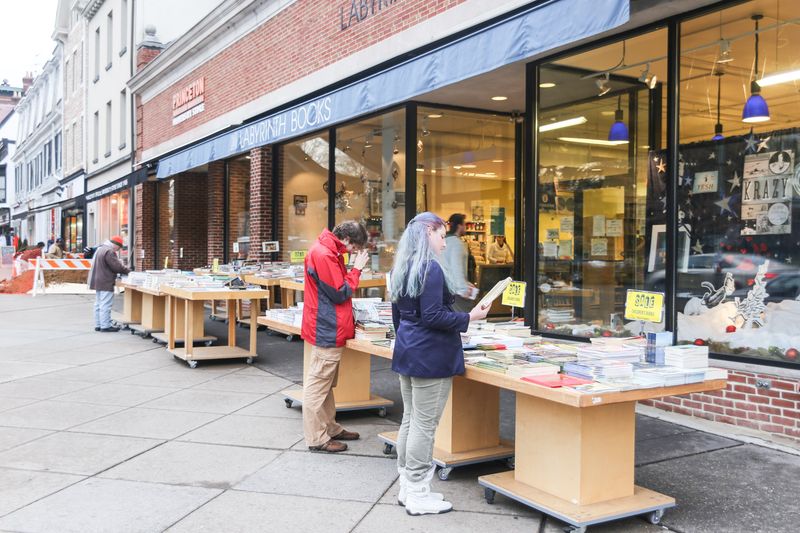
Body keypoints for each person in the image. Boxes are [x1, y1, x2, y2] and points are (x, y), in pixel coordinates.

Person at [389, 212, 489, 516]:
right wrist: (470, 317)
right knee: (424, 424)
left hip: (409, 350)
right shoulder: (429, 268)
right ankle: (418, 492)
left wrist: (407, 339)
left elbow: (398, 317)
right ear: (428, 234)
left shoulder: (401, 267)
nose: (444, 243)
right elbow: (433, 316)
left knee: (410, 419)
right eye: (441, 236)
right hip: (431, 355)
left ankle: (408, 487)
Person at [301, 221, 370, 453]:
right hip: (328, 327)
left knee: (325, 382)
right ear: (347, 239)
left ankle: (330, 427)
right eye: (355, 248)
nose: (354, 252)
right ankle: (316, 438)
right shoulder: (325, 255)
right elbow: (340, 293)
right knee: (318, 383)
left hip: (327, 325)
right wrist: (356, 269)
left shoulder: (327, 251)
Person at [87, 236, 130, 332]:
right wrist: (128, 271)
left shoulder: (101, 249)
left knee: (98, 304)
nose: (118, 250)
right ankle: (105, 326)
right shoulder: (109, 251)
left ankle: (98, 324)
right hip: (106, 280)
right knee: (105, 304)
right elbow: (116, 267)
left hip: (98, 280)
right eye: (119, 247)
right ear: (116, 245)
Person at [441, 213, 475, 312]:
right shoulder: (457, 244)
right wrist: (463, 288)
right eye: (464, 224)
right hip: (455, 292)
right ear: (459, 226)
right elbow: (457, 268)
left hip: (444, 289)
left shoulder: (444, 241)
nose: (465, 227)